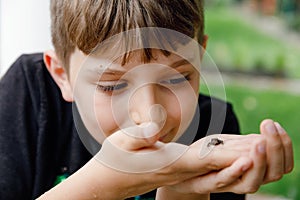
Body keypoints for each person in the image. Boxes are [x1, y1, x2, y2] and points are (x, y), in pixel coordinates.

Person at [0, 0, 293, 199]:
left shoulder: (214, 128)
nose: (151, 118)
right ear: (62, 74)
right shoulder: (30, 92)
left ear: (200, 57)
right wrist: (99, 186)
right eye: (112, 85)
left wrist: (182, 191)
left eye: (176, 79)